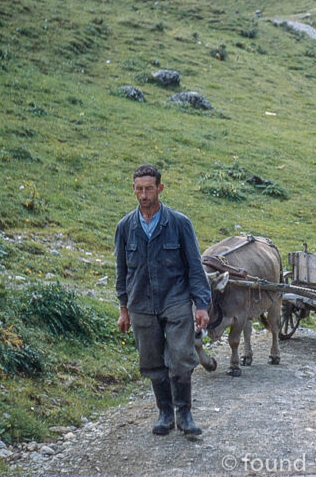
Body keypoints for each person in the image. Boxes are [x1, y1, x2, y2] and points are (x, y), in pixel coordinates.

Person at [115, 164, 211, 436]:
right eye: (139, 189)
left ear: (160, 188)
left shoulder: (179, 223)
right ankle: (165, 414)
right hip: (141, 305)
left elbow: (194, 266)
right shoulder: (125, 227)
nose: (144, 195)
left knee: (181, 358)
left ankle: (185, 415)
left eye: (149, 189)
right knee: (152, 362)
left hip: (176, 301)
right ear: (133, 189)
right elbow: (122, 271)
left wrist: (201, 304)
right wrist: (124, 309)